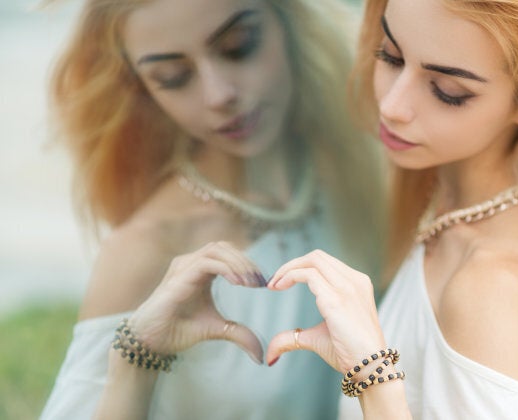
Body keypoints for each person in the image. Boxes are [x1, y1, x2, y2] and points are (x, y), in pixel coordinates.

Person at [262, 0, 518, 418]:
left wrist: (371, 372)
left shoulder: (489, 281)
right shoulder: (453, 203)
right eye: (391, 55)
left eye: (447, 92)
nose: (391, 107)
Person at [40, 0, 385, 418]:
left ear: (289, 20)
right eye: (173, 77)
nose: (220, 94)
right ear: (141, 89)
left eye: (239, 46)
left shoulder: (357, 169)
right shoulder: (145, 248)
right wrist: (134, 362)